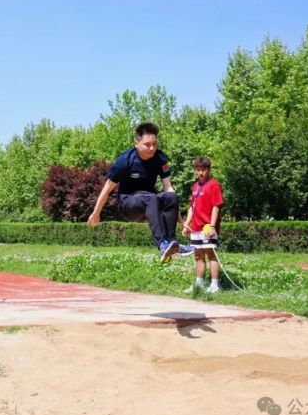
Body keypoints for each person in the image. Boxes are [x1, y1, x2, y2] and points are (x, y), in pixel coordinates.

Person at [88, 122, 194, 263]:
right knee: (151, 197)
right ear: (136, 143)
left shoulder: (160, 158)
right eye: (147, 145)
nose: (152, 148)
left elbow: (168, 188)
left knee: (171, 196)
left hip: (150, 203)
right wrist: (96, 213)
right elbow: (107, 189)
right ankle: (162, 245)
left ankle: (172, 243)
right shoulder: (124, 160)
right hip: (128, 205)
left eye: (154, 144)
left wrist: (179, 218)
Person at [182, 157, 224, 294]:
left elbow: (216, 207)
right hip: (195, 228)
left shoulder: (214, 185)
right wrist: (186, 224)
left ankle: (214, 286)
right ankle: (199, 284)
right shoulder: (195, 186)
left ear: (209, 170)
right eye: (198, 170)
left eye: (203, 170)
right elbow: (192, 207)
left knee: (211, 255)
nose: (200, 173)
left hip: (207, 228)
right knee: (198, 256)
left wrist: (212, 226)